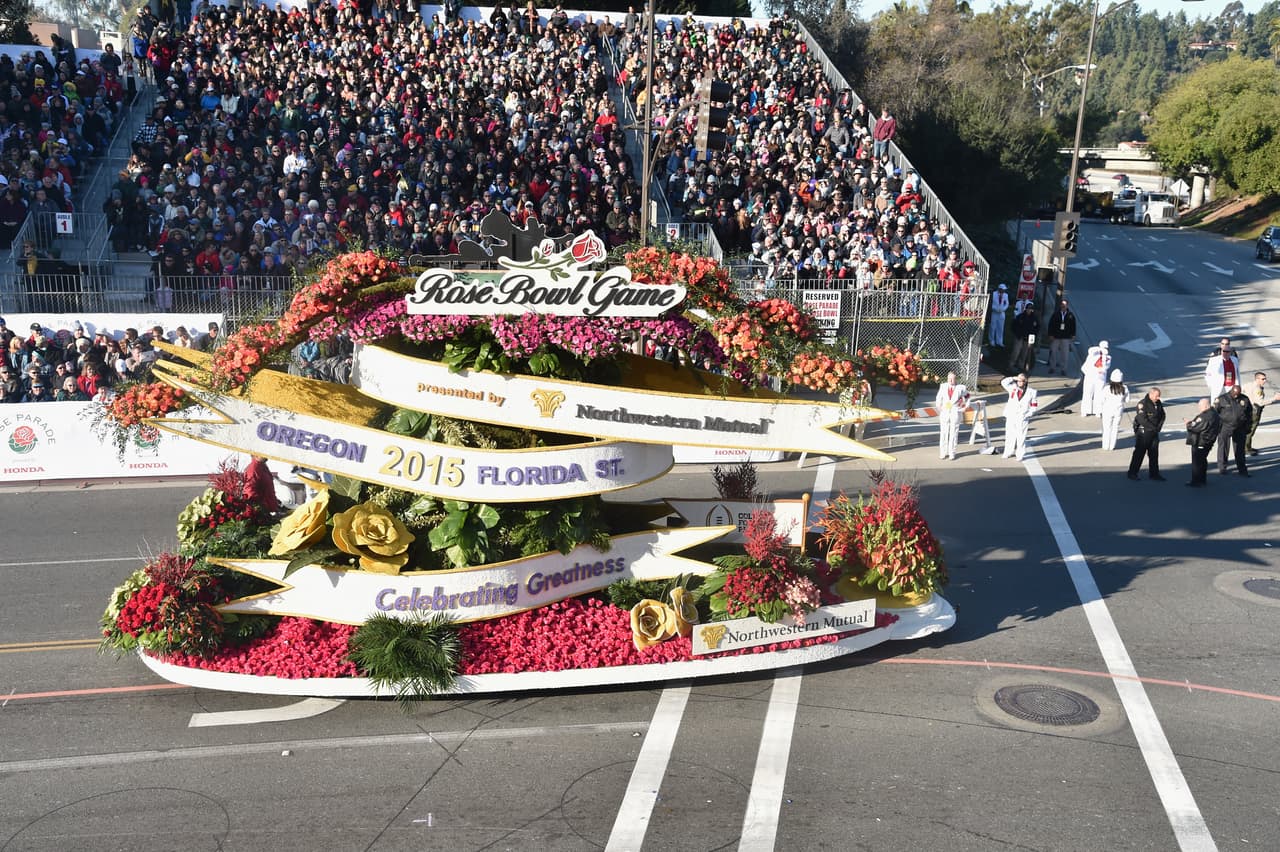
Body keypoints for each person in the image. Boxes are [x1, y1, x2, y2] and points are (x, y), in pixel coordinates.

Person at [1127, 386, 1166, 481]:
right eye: (1156, 396)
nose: (1158, 398)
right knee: (1139, 453)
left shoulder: (1158, 403)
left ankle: (1154, 474)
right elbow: (1142, 419)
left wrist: (1158, 428)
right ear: (1150, 394)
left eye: (1159, 396)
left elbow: (1162, 415)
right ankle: (1132, 473)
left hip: (1154, 432)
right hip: (1144, 433)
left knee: (1154, 454)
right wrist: (1153, 428)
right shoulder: (1143, 404)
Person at [1214, 384, 1252, 477]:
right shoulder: (1222, 399)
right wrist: (1217, 428)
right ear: (1231, 391)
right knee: (1223, 447)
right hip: (1225, 427)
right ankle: (1222, 467)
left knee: (1239, 449)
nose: (1235, 396)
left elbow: (1249, 413)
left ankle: (1242, 469)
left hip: (1240, 427)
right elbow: (1215, 413)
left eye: (1237, 394)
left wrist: (1248, 427)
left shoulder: (1244, 399)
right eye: (1234, 394)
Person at [1183, 398, 1220, 487]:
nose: (1199, 408)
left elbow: (1195, 427)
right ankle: (1202, 479)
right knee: (1202, 461)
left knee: (1197, 462)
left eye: (1200, 406)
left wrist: (1188, 423)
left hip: (1200, 441)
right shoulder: (1214, 413)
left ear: (1206, 406)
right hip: (1208, 441)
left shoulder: (1204, 416)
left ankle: (1196, 481)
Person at [1000, 373, 1037, 461]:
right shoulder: (1012, 387)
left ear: (1026, 381)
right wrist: (1014, 378)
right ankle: (1008, 451)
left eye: (1022, 381)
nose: (1020, 382)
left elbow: (1034, 405)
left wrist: (1028, 414)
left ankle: (1020, 454)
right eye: (1019, 380)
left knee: (1021, 436)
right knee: (1009, 434)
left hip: (1022, 416)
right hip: (1011, 415)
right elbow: (1003, 382)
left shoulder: (1032, 392)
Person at [934, 372, 969, 460]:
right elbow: (938, 398)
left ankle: (952, 453)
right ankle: (943, 452)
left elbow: (968, 397)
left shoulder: (961, 388)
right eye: (949, 378)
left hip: (955, 412)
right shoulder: (943, 386)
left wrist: (965, 407)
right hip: (945, 412)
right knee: (944, 433)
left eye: (952, 379)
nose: (950, 380)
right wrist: (939, 407)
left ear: (955, 379)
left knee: (953, 433)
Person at [1244, 371, 1280, 455]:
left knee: (1248, 430)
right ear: (1257, 379)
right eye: (1263, 379)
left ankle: (1248, 447)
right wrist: (1274, 398)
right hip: (1254, 411)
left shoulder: (1249, 385)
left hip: (1248, 409)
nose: (1265, 380)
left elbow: (1241, 390)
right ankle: (1246, 449)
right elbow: (1260, 402)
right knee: (1250, 431)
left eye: (1265, 379)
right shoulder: (1258, 389)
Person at [1099, 369, 1129, 451]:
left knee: (1106, 428)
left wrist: (1099, 410)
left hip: (1107, 410)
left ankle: (1105, 446)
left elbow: (1101, 400)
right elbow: (1127, 400)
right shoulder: (1124, 388)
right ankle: (1112, 446)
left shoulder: (1107, 388)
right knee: (1115, 428)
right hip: (1118, 410)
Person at [1046, 298, 1076, 376]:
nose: (1063, 306)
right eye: (1062, 304)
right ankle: (1052, 367)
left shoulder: (1070, 315)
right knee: (1053, 352)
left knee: (1065, 354)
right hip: (1056, 336)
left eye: (1065, 305)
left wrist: (1073, 335)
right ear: (1060, 305)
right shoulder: (1055, 314)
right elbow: (1051, 325)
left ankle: (1063, 369)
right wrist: (1050, 334)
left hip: (1066, 337)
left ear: (1067, 306)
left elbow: (1073, 326)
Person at [1080, 340, 1110, 417]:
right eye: (1104, 347)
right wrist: (1100, 350)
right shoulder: (1093, 353)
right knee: (1087, 393)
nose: (1105, 349)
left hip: (1100, 378)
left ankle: (1098, 411)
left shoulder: (1108, 357)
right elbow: (1090, 350)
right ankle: (1085, 410)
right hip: (1090, 376)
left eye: (1106, 348)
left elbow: (1106, 367)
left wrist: (1104, 356)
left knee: (1099, 394)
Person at [1008, 301, 1037, 374]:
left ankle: (1020, 367)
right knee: (1016, 352)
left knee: (1024, 354)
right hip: (1019, 337)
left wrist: (1033, 335)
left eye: (1030, 309)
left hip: (1027, 339)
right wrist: (1017, 334)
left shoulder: (1034, 318)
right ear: (1025, 309)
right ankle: (1011, 366)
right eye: (1028, 309)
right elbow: (1013, 326)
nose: (1029, 310)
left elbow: (1037, 328)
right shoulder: (1020, 316)